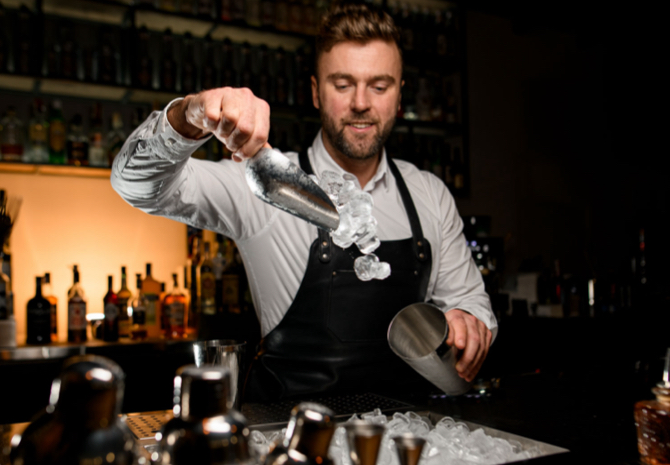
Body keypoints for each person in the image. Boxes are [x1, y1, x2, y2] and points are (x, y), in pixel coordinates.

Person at [112, 1, 496, 401]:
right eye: (342, 85)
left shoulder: (429, 193)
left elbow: (470, 301)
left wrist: (469, 323)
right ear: (316, 92)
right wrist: (189, 115)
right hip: (294, 433)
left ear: (400, 95)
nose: (361, 102)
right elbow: (135, 183)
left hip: (412, 432)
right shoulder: (265, 183)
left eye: (379, 86)